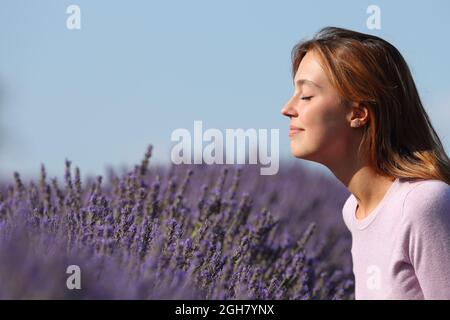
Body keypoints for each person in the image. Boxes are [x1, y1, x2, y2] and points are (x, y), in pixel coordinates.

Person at [281, 26, 450, 299]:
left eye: (306, 96)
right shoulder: (355, 210)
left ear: (358, 113)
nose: (287, 109)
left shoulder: (423, 203)